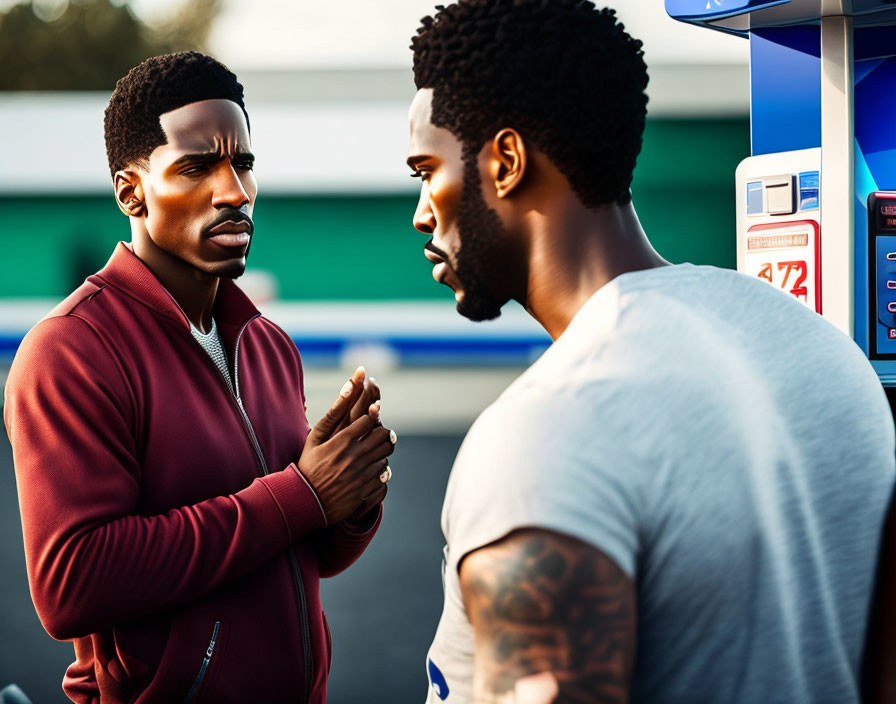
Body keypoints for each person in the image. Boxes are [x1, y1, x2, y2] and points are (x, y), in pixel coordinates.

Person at [405, 2, 896, 702]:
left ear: (506, 162)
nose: (422, 210)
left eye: (427, 169)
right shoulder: (822, 351)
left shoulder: (547, 431)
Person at [4, 51, 396, 703]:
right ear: (132, 190)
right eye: (197, 166)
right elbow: (72, 585)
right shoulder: (71, 350)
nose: (234, 192)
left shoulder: (269, 345)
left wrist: (347, 498)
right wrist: (302, 492)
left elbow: (306, 555)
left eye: (242, 163)